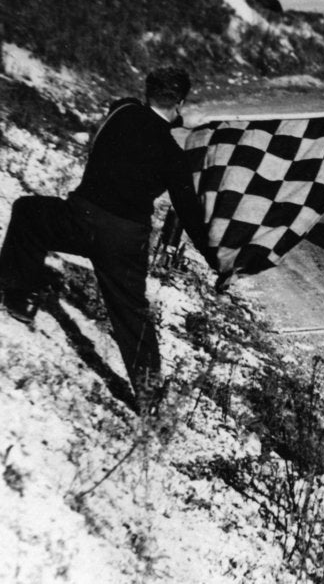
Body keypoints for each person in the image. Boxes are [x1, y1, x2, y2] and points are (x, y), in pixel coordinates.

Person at [0, 67, 215, 413]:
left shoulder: (122, 111)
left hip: (80, 219)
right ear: (181, 102)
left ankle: (18, 298)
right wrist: (216, 258)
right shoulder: (173, 152)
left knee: (27, 211)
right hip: (126, 239)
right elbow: (189, 211)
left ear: (146, 91)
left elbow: (129, 109)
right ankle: (147, 396)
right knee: (131, 312)